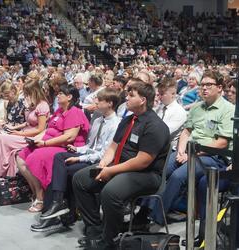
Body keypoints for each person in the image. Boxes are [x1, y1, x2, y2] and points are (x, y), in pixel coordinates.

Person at [72, 80, 170, 249]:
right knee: (80, 179)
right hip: (120, 167)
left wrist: (111, 171)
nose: (126, 97)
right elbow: (113, 147)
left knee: (111, 191)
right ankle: (95, 229)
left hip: (147, 175)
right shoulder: (128, 120)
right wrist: (103, 164)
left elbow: (142, 161)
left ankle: (110, 240)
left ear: (143, 100)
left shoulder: (155, 126)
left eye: (131, 95)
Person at [148, 70, 234, 246]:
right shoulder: (196, 107)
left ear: (219, 88)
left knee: (179, 176)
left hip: (213, 156)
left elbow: (221, 143)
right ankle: (146, 210)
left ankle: (155, 218)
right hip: (189, 151)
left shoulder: (228, 109)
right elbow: (186, 131)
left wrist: (191, 154)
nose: (204, 88)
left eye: (208, 85)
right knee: (162, 167)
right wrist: (180, 151)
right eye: (202, 85)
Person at [31, 88, 121, 232]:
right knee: (59, 158)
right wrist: (77, 150)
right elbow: (90, 145)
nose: (95, 101)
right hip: (88, 155)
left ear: (110, 103)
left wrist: (79, 158)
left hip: (99, 162)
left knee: (62, 171)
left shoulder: (116, 124)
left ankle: (55, 211)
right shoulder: (98, 120)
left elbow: (103, 154)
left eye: (99, 99)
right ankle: (57, 203)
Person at [16, 84, 90, 213]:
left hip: (67, 148)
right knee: (21, 156)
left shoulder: (74, 112)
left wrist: (45, 144)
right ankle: (36, 192)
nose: (58, 95)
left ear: (69, 97)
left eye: (61, 93)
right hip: (50, 142)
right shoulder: (59, 111)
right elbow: (48, 130)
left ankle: (41, 197)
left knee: (34, 157)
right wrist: (36, 139)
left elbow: (69, 137)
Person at [154, 77, 187, 145]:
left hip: (168, 148)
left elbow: (163, 133)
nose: (159, 97)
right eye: (158, 94)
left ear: (173, 94)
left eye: (162, 94)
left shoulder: (179, 112)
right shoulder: (160, 107)